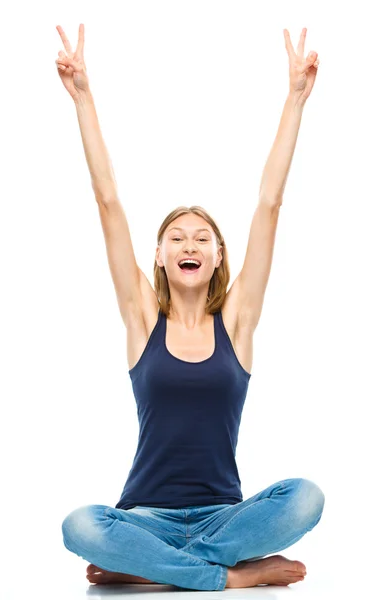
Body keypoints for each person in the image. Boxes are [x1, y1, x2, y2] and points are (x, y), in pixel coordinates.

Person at [57, 24, 324, 591]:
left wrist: (295, 98)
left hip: (224, 517)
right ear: (158, 256)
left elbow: (269, 205)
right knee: (80, 524)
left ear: (218, 254)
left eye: (202, 237)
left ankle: (154, 574)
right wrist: (83, 96)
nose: (189, 245)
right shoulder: (140, 322)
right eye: (177, 237)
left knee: (306, 498)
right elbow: (107, 201)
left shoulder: (237, 324)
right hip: (143, 519)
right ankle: (230, 577)